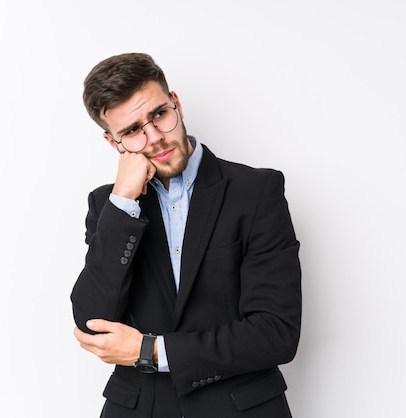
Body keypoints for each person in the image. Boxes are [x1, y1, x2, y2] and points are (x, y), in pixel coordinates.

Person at [70, 52, 302, 418]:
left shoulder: (256, 191)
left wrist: (149, 351)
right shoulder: (109, 206)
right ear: (112, 142)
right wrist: (123, 203)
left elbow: (276, 333)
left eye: (159, 115)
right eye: (132, 131)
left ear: (175, 103)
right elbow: (93, 325)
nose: (155, 138)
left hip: (241, 408)